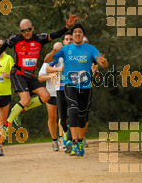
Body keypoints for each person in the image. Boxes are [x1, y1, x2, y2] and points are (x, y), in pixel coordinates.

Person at [0, 15, 78, 135]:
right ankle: (6, 126)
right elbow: (4, 45)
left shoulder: (39, 38)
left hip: (30, 76)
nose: (26, 32)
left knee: (45, 96)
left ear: (32, 28)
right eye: (23, 31)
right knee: (26, 99)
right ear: (20, 31)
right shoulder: (16, 39)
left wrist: (67, 26)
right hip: (18, 73)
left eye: (28, 30)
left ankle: (19, 110)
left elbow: (55, 34)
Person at [44, 23, 108, 156]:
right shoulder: (66, 49)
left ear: (83, 35)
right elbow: (46, 60)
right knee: (72, 111)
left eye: (80, 32)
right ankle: (74, 144)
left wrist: (103, 62)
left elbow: (103, 63)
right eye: (75, 32)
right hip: (70, 85)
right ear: (72, 35)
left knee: (83, 117)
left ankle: (80, 141)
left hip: (85, 87)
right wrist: (54, 51)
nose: (77, 34)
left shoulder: (90, 49)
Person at [38, 60, 64, 151]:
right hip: (51, 92)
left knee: (63, 116)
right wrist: (50, 76)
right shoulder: (49, 60)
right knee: (52, 117)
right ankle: (54, 140)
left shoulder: (68, 57)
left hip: (63, 91)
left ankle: (62, 139)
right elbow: (40, 78)